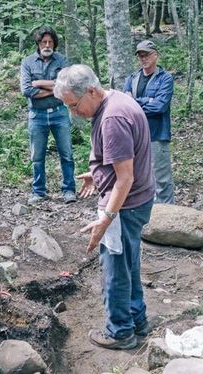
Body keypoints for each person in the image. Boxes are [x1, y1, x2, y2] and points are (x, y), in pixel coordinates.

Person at [54, 64, 156, 350]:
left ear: (91, 91)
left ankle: (120, 331)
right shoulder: (116, 99)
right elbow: (120, 160)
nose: (73, 112)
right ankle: (138, 320)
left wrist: (106, 219)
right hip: (137, 200)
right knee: (129, 262)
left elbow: (125, 177)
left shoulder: (112, 118)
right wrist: (98, 172)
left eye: (74, 105)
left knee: (114, 268)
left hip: (125, 204)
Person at [20, 26, 76, 205]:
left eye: (50, 42)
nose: (47, 45)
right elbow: (27, 89)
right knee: (37, 156)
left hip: (60, 113)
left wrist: (40, 83)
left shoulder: (62, 60)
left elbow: (67, 86)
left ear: (55, 44)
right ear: (38, 43)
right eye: (44, 42)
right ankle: (39, 191)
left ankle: (69, 190)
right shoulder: (28, 62)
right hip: (37, 115)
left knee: (66, 154)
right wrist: (54, 87)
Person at [123, 40, 175, 204]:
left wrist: (136, 102)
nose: (143, 58)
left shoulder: (165, 78)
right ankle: (148, 217)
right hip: (136, 135)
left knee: (161, 179)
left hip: (157, 134)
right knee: (140, 177)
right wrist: (147, 101)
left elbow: (160, 106)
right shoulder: (131, 79)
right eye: (140, 56)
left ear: (155, 55)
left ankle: (168, 217)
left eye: (147, 55)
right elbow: (125, 105)